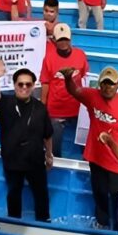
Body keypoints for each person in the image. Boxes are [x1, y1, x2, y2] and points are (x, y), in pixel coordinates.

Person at [61, 65, 118, 230]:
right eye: (104, 83)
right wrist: (68, 78)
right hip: (96, 157)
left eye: (111, 83)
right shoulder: (92, 96)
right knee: (98, 193)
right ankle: (101, 223)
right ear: (99, 85)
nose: (108, 87)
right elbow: (74, 91)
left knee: (117, 196)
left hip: (117, 162)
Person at [0, 60, 54, 222]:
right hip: (12, 161)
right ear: (14, 85)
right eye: (20, 84)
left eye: (28, 84)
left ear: (33, 86)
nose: (24, 87)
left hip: (35, 160)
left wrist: (49, 155)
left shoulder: (40, 107)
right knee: (13, 194)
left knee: (41, 195)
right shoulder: (5, 103)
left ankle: (44, 223)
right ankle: (13, 223)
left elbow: (47, 134)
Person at [41, 22, 88, 157]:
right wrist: (43, 107)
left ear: (70, 38)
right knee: (54, 148)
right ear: (54, 40)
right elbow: (45, 83)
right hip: (56, 109)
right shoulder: (48, 58)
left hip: (78, 107)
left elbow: (86, 77)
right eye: (60, 39)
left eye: (65, 39)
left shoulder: (80, 55)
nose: (63, 42)